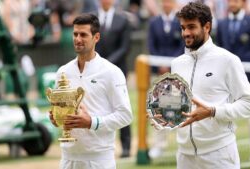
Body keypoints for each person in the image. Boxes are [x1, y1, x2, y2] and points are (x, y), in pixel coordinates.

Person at [150, 2, 250, 168]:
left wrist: (212, 112)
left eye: (191, 27)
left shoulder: (228, 60)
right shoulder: (177, 63)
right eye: (183, 27)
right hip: (184, 156)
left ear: (207, 26)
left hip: (219, 154)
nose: (186, 33)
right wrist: (164, 117)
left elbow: (249, 105)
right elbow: (176, 107)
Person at [49, 13, 133, 169]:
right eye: (75, 34)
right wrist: (56, 118)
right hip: (68, 159)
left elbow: (125, 115)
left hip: (99, 160)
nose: (78, 39)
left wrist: (92, 123)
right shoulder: (62, 72)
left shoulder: (112, 72)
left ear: (96, 37)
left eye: (83, 35)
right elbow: (60, 113)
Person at [216, 0, 250, 162]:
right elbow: (221, 50)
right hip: (228, 79)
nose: (232, 3)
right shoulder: (223, 24)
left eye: (236, 0)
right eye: (230, 1)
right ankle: (225, 152)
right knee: (225, 114)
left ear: (243, 3)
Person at [147, 0, 184, 159]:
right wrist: (159, 63)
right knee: (158, 109)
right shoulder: (154, 22)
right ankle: (159, 145)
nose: (167, 4)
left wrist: (170, 63)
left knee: (178, 109)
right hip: (158, 72)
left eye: (170, 1)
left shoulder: (179, 22)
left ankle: (181, 144)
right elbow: (151, 44)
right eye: (164, 2)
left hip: (175, 73)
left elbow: (182, 44)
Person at [95, 0, 132, 158]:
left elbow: (125, 47)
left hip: (118, 71)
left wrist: (107, 64)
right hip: (95, 72)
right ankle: (99, 145)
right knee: (97, 107)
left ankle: (126, 146)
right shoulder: (92, 20)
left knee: (121, 107)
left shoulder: (122, 20)